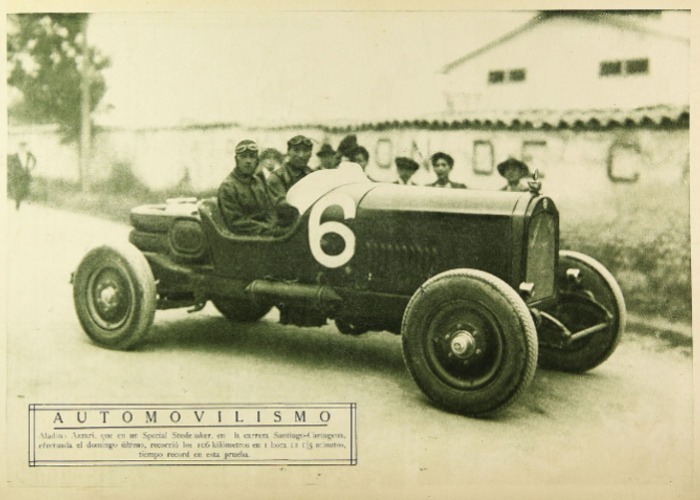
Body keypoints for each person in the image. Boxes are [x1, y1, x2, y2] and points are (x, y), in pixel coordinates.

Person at [218, 139, 297, 236]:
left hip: (265, 231)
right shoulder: (228, 186)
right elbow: (236, 222)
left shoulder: (258, 181)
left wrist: (271, 225)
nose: (248, 161)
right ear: (236, 160)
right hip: (246, 238)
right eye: (243, 157)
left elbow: (270, 209)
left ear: (257, 160)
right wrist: (266, 228)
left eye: (252, 157)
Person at [268, 135, 314, 200]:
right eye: (296, 150)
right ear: (288, 152)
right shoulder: (278, 177)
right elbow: (282, 204)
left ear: (311, 154)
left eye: (305, 150)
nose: (301, 155)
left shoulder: (313, 175)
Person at [7, 141, 37, 210]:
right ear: (19, 147)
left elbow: (34, 161)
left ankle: (19, 201)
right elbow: (10, 164)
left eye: (24, 146)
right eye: (21, 146)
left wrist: (30, 168)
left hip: (25, 174)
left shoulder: (29, 154)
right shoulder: (15, 155)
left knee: (24, 188)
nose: (23, 148)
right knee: (17, 189)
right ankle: (17, 204)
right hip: (16, 175)